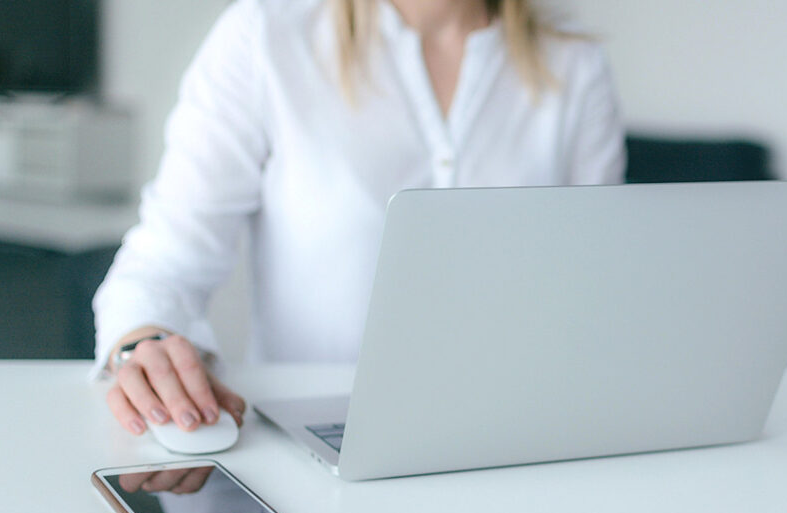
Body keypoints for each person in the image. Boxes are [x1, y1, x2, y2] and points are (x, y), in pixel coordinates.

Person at [94, 0, 626, 436]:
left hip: (518, 434)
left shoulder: (575, 65)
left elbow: (597, 291)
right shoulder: (265, 39)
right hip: (315, 435)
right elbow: (164, 263)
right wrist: (143, 345)